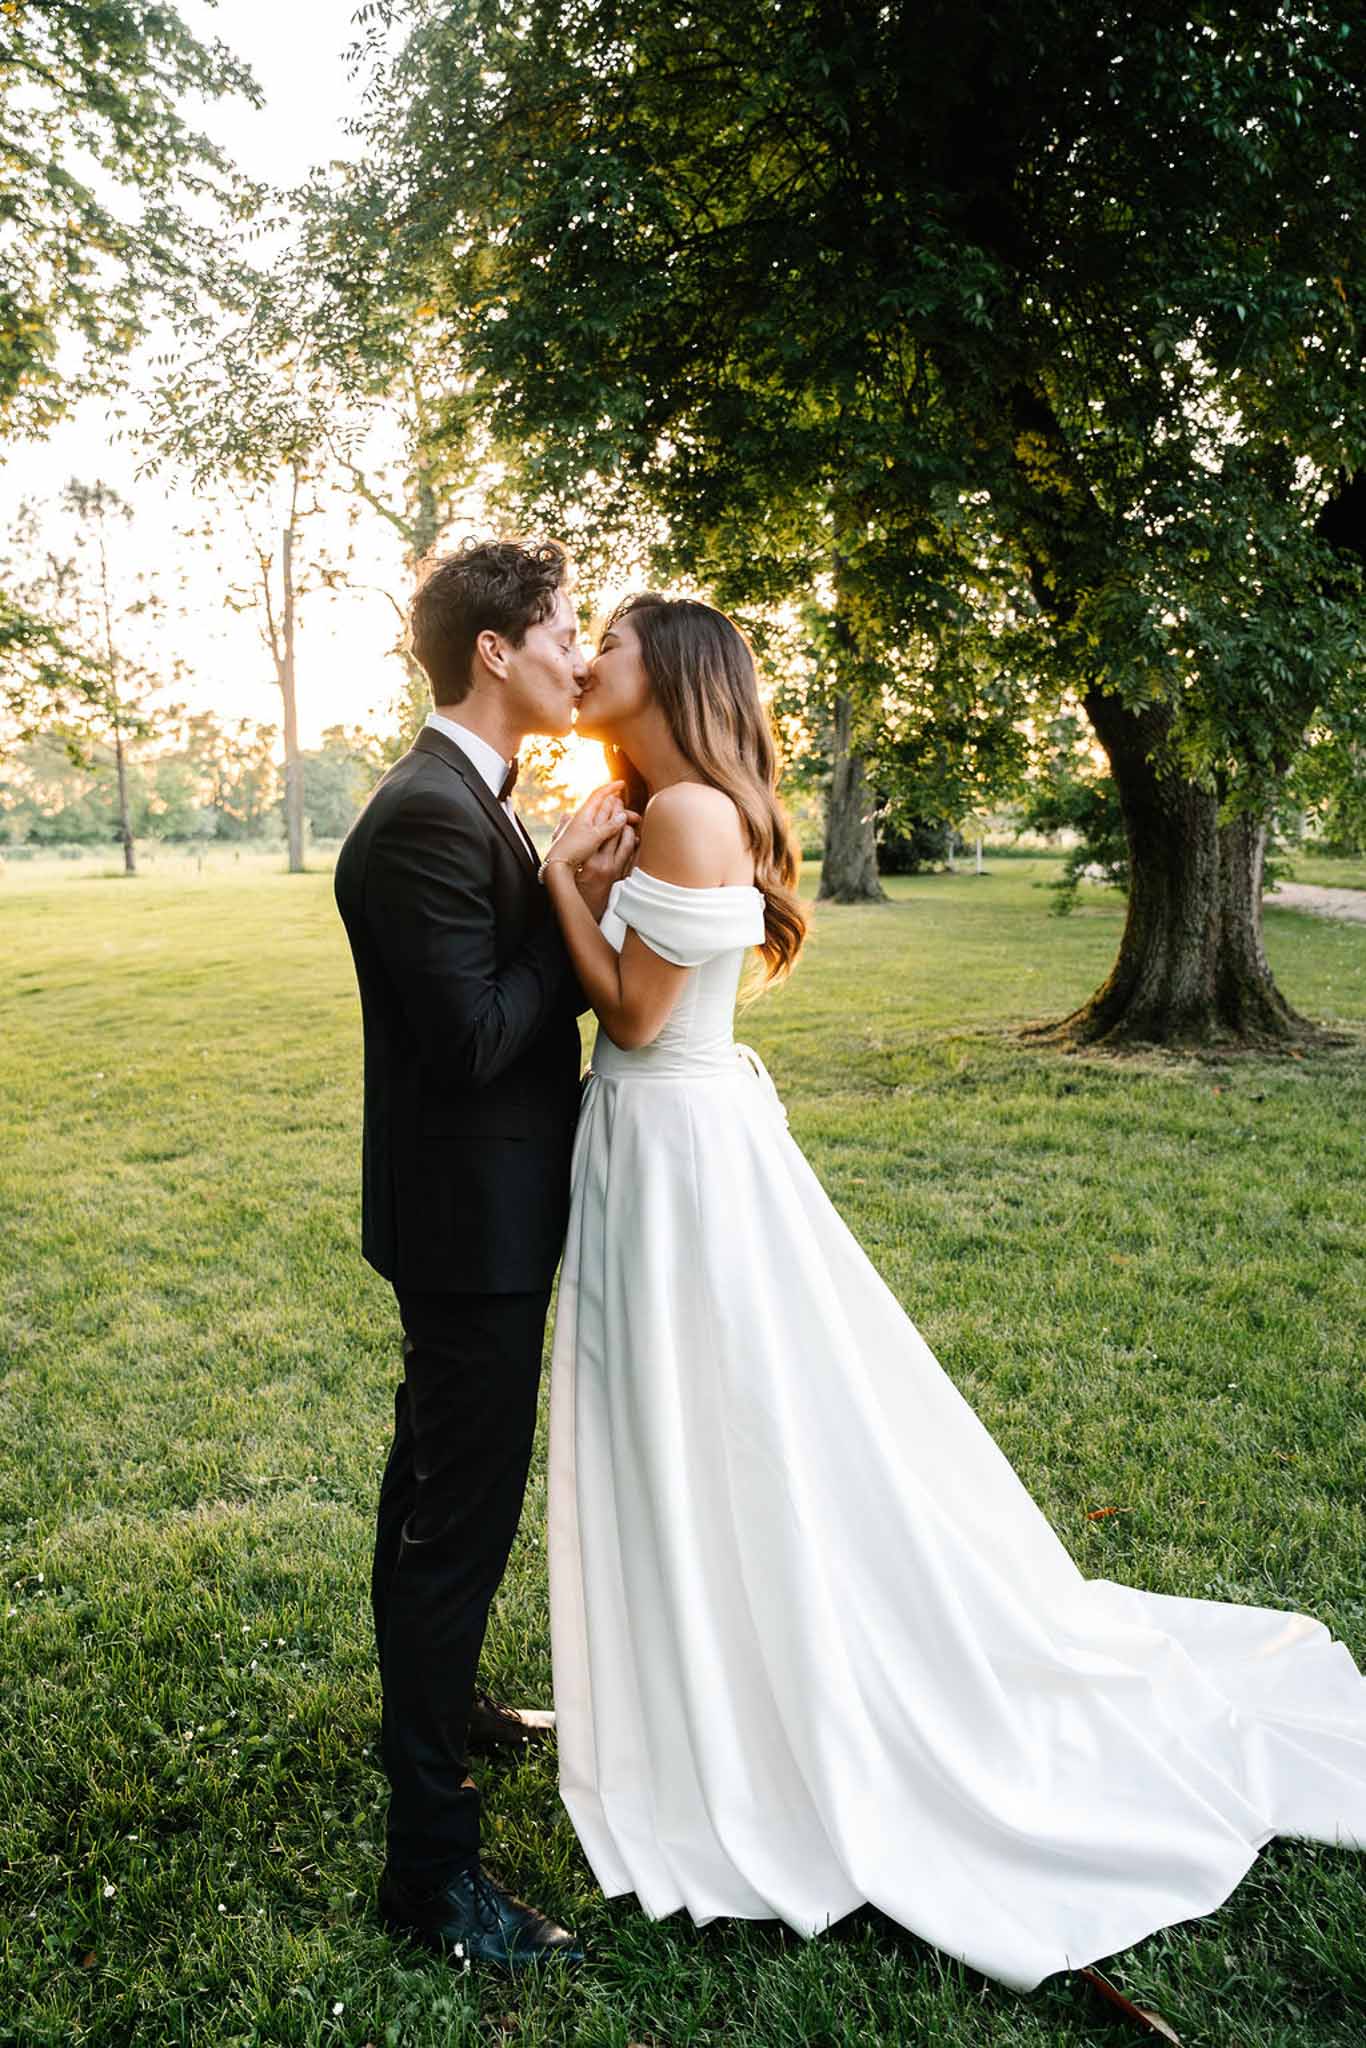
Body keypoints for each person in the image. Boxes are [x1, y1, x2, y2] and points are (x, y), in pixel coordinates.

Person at [538, 591, 1366, 1993]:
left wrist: (563, 875)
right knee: (692, 1416)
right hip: (655, 1138)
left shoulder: (682, 815)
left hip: (673, 1143)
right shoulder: (666, 801)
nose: (588, 658)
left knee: (709, 1415)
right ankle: (705, 1673)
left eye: (609, 641)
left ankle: (755, 1692)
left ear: (670, 673)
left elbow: (632, 1012)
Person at [333, 539, 636, 1970]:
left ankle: (441, 1713)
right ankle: (430, 1878)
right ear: (494, 654)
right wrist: (560, 891)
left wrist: (553, 866)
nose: (581, 653)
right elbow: (466, 1040)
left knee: (433, 1484)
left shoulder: (477, 797)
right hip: (471, 1227)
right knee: (459, 1520)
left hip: (476, 1214)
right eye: (565, 627)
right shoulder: (427, 818)